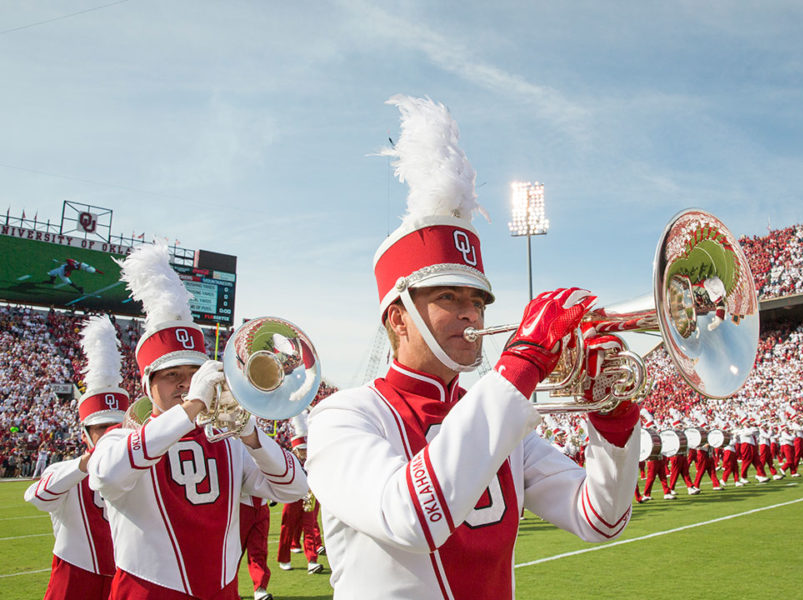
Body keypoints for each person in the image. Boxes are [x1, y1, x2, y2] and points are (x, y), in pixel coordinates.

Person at [306, 95, 640, 599]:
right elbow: (412, 519)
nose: (471, 313)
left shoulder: (501, 423)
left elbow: (599, 519)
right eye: (448, 297)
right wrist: (522, 365)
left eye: (478, 300)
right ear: (398, 317)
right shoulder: (341, 418)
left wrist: (613, 428)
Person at [88, 241, 310, 599]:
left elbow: (295, 488)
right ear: (148, 384)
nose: (185, 382)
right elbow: (106, 474)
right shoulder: (119, 438)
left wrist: (251, 434)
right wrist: (191, 408)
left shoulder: (229, 443)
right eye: (170, 374)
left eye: (194, 371)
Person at [25, 315, 127, 600]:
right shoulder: (65, 470)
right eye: (100, 429)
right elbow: (36, 497)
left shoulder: (139, 468)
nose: (109, 433)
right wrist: (83, 465)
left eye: (115, 427)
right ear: (85, 435)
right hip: (75, 577)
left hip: (125, 574)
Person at [277, 413, 324, 575]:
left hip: (309, 495)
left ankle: (312, 560)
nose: (303, 453)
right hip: (292, 496)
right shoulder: (289, 459)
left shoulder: (312, 459)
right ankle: (284, 558)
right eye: (301, 450)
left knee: (309, 527)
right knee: (287, 526)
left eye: (305, 450)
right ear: (295, 449)